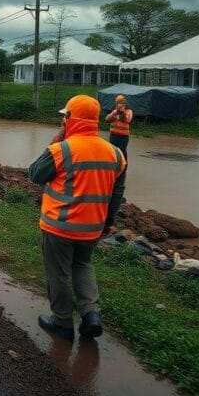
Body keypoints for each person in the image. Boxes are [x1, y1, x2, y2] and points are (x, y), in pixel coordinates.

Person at [28, 95, 127, 342]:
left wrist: (55, 140)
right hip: (93, 227)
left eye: (65, 117)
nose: (63, 120)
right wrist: (109, 223)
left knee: (58, 273)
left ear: (70, 119)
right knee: (83, 265)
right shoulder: (115, 154)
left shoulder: (61, 150)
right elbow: (117, 193)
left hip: (59, 227)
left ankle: (62, 322)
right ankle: (91, 314)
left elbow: (35, 174)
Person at [105, 94, 133, 159]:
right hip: (113, 135)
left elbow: (128, 120)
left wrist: (123, 113)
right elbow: (107, 119)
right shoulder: (114, 110)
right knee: (112, 151)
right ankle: (113, 164)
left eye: (121, 103)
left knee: (122, 151)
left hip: (123, 136)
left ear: (124, 103)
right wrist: (113, 114)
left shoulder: (128, 111)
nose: (119, 104)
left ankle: (124, 165)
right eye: (118, 102)